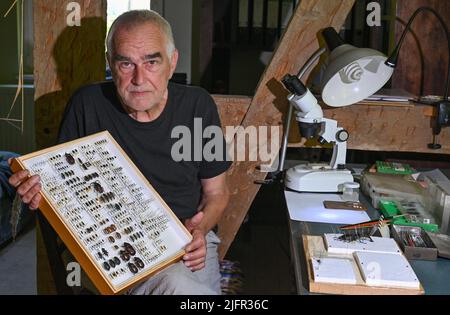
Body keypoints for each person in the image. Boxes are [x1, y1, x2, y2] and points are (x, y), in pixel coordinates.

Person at [8, 10, 231, 295]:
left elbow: (217, 193)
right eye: (126, 63)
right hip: (110, 244)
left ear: (172, 62)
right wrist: (38, 192)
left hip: (185, 240)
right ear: (110, 64)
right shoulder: (87, 105)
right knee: (177, 286)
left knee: (180, 283)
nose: (139, 78)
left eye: (152, 61)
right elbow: (62, 189)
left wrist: (201, 229)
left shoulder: (198, 106)